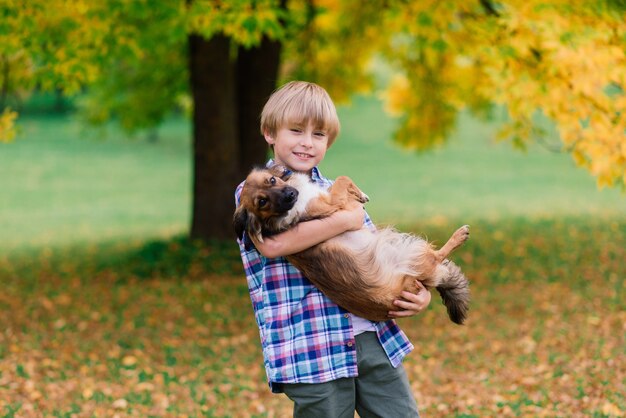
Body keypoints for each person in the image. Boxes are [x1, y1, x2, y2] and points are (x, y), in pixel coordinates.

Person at [234, 81, 431, 417]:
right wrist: (346, 219)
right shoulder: (255, 192)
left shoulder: (333, 189)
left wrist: (421, 292)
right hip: (311, 346)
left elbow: (374, 251)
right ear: (270, 133)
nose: (307, 143)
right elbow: (274, 245)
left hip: (371, 335)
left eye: (319, 135)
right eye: (296, 130)